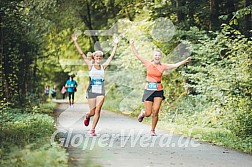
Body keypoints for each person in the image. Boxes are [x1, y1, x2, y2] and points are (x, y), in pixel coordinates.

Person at [130, 39, 192, 136]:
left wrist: (185, 61)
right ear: (153, 57)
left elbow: (175, 65)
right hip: (148, 90)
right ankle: (143, 113)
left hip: (158, 90)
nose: (157, 57)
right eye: (155, 55)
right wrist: (132, 44)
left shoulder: (163, 66)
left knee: (156, 110)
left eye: (159, 55)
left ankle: (152, 130)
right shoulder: (148, 63)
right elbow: (137, 55)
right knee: (148, 113)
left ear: (161, 57)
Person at [71, 34, 119, 136]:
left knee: (98, 110)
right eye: (97, 56)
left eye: (100, 57)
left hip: (101, 91)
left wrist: (116, 44)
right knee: (92, 112)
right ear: (94, 57)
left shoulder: (103, 66)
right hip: (91, 91)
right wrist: (75, 41)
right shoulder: (90, 65)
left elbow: (111, 57)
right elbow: (81, 54)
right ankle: (88, 116)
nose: (98, 58)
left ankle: (92, 129)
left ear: (101, 58)